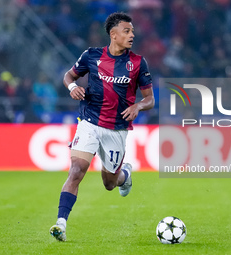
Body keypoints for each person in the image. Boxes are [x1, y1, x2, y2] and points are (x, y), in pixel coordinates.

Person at [49, 12, 155, 242]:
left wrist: (138, 106)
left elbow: (150, 99)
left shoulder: (137, 62)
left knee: (109, 183)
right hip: (89, 122)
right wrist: (72, 87)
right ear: (113, 34)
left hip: (117, 129)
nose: (132, 35)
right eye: (127, 31)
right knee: (77, 170)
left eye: (133, 31)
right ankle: (61, 223)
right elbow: (68, 75)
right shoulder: (91, 56)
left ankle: (124, 175)